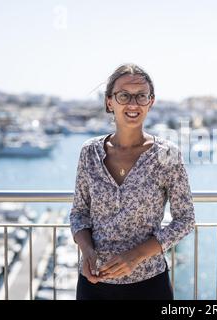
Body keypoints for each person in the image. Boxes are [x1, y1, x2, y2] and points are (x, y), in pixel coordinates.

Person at [70, 64, 195, 300]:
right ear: (110, 102)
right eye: (124, 95)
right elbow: (79, 214)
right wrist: (87, 252)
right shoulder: (89, 152)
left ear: (151, 102)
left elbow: (185, 219)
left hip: (149, 285)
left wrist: (136, 256)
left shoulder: (167, 154)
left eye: (141, 96)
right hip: (94, 283)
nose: (133, 103)